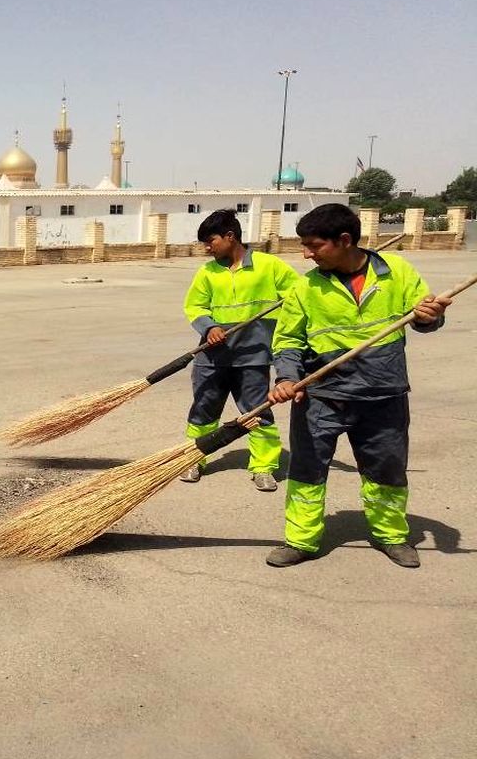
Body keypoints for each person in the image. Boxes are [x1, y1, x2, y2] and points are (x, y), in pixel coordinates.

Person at [265, 203, 450, 568]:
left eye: (314, 245)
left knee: (387, 470)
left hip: (383, 395)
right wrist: (287, 377)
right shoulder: (306, 287)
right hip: (321, 397)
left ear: (344, 240)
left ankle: (391, 536)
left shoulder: (395, 272)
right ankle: (301, 540)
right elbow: (287, 341)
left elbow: (424, 317)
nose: (306, 253)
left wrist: (432, 317)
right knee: (307, 471)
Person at [180, 209, 300, 491]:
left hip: (254, 357)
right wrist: (209, 327)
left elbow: (299, 295)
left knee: (258, 411)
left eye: (211, 241)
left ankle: (264, 466)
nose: (207, 248)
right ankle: (194, 458)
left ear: (230, 236)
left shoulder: (269, 266)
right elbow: (194, 307)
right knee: (203, 411)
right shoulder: (207, 272)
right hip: (213, 358)